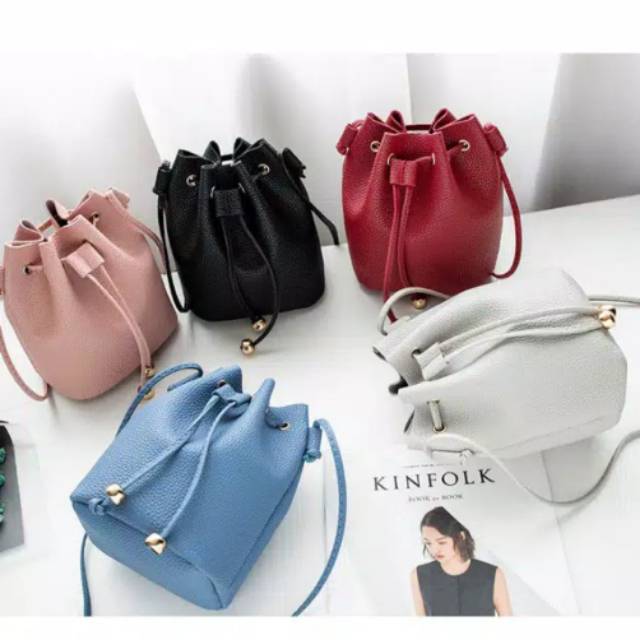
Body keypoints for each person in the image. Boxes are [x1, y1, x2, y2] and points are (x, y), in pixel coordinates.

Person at [410, 507, 512, 616]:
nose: (434, 550)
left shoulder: (492, 574)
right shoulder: (419, 575)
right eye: (428, 543)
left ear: (460, 536)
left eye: (441, 542)